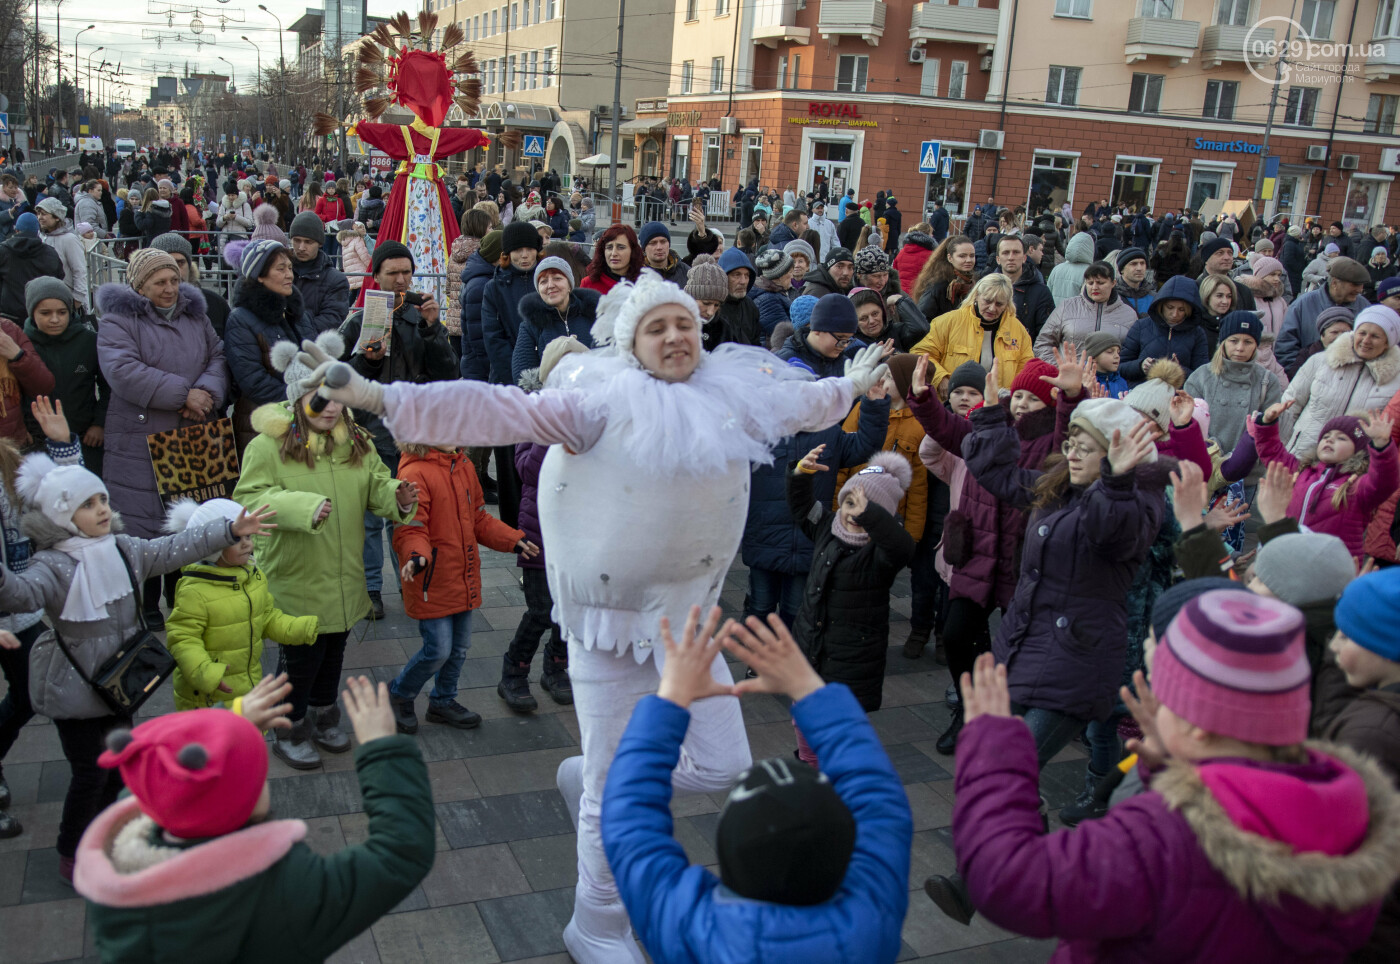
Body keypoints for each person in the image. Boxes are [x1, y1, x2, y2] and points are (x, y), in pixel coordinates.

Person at [301, 273, 891, 964]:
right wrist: (374, 396)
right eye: (656, 328)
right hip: (607, 625)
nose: (675, 336)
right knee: (612, 798)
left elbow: (801, 403)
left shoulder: (735, 391)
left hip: (686, 625)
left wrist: (851, 386)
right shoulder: (595, 403)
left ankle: (593, 778)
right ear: (631, 341)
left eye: (683, 325)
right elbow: (493, 409)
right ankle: (597, 923)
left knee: (725, 765)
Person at [935, 592, 1400, 959]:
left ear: (1197, 727)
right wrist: (1178, 765)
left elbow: (1009, 881)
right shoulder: (1346, 808)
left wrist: (994, 753)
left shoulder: (1164, 836)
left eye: (1168, 697)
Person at [0, 449, 270, 882]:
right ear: (61, 517)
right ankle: (73, 853)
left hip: (122, 681)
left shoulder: (125, 549)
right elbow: (20, 594)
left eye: (102, 500)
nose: (102, 509)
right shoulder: (51, 565)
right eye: (87, 505)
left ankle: (103, 836)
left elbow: (173, 548)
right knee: (90, 772)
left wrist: (226, 530)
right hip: (75, 688)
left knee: (115, 767)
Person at [600, 608, 912, 964]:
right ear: (846, 846)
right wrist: (810, 689)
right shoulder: (871, 921)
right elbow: (879, 800)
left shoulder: (692, 931)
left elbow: (629, 823)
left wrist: (671, 696)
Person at [73, 676, 437, 961]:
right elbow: (401, 853)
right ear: (245, 805)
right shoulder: (286, 893)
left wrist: (229, 721)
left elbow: (160, 775)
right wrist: (381, 749)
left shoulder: (115, 880)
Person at [231, 332, 419, 769]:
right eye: (320, 398)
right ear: (299, 398)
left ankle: (322, 712)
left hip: (343, 572)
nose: (331, 406)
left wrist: (398, 496)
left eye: (336, 397)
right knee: (300, 659)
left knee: (333, 651)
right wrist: (304, 507)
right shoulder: (268, 446)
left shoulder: (355, 440)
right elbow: (252, 500)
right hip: (296, 575)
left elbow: (375, 483)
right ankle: (288, 725)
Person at [904, 353, 1064, 750]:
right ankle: (968, 708)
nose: (1023, 404)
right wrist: (923, 400)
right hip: (976, 550)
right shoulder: (993, 420)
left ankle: (1009, 718)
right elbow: (948, 429)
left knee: (1019, 648)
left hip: (1021, 559)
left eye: (1035, 399)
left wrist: (1075, 397)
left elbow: (1070, 436)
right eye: (1021, 395)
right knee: (958, 635)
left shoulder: (1056, 443)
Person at [96, 248, 226, 628]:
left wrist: (205, 394)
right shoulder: (119, 319)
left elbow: (218, 356)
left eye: (173, 280)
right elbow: (121, 370)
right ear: (139, 285)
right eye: (159, 282)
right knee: (145, 522)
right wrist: (183, 394)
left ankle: (185, 600)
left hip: (194, 431)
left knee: (190, 517)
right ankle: (148, 606)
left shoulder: (194, 314)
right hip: (141, 437)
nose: (169, 289)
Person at [338, 241, 458, 616]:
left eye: (407, 271)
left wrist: (434, 329)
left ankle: (410, 583)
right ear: (376, 276)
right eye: (393, 273)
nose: (401, 279)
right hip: (370, 433)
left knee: (408, 515)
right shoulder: (358, 321)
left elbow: (448, 373)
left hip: (413, 434)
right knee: (371, 518)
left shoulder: (422, 314)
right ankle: (371, 589)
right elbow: (343, 383)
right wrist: (368, 362)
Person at [388, 439, 535, 733]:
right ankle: (399, 694)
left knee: (458, 649)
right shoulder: (415, 472)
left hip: (462, 576)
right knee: (438, 650)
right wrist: (416, 558)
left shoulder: (463, 464)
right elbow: (410, 527)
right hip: (432, 580)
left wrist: (512, 539)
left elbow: (478, 517)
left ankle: (442, 700)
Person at [0, 399, 89, 839]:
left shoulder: (9, 463)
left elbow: (67, 498)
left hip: (19, 606)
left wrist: (62, 448)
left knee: (28, 695)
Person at [163, 497, 319, 710]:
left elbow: (265, 616)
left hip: (247, 685)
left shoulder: (253, 577)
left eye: (248, 536)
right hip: (208, 696)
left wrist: (296, 628)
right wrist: (206, 673)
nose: (247, 543)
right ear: (212, 547)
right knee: (217, 742)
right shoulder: (194, 590)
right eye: (236, 539)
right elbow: (182, 639)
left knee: (246, 738)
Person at [501, 338, 584, 712]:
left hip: (577, 534)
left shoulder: (592, 414)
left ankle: (557, 668)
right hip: (539, 532)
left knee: (570, 608)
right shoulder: (533, 414)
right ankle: (513, 673)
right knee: (541, 610)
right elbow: (526, 470)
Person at [1324, 569, 1400, 961]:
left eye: (1345, 635)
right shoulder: (1378, 712)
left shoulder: (1373, 736)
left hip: (1367, 929)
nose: (1334, 646)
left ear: (1386, 647)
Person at [1251, 402, 1398, 560]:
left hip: (1331, 566)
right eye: (1326, 437)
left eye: (1341, 438)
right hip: (1288, 554)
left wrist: (1381, 445)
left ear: (1359, 451)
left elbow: (1385, 480)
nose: (1330, 440)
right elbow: (1272, 452)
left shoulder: (1357, 485)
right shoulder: (1300, 471)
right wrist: (1266, 423)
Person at [224, 240, 316, 454]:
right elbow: (253, 381)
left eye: (290, 268)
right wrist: (302, 398)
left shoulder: (296, 313)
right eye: (280, 269)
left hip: (305, 420)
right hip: (263, 426)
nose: (289, 275)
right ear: (260, 275)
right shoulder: (241, 319)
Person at [1282, 304, 1400, 454]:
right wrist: (1279, 448)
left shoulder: (1395, 380)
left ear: (1387, 343)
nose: (1366, 340)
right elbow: (1290, 405)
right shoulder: (1321, 361)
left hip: (1350, 466)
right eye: (1362, 333)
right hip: (1301, 454)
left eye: (1375, 336)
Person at [21, 278, 102, 466]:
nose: (55, 319)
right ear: (32, 312)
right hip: (37, 442)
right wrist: (21, 428)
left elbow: (108, 387)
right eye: (45, 313)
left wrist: (99, 423)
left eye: (62, 312)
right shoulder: (21, 345)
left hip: (85, 439)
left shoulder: (89, 341)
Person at [911, 273, 1035, 393]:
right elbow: (919, 352)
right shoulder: (948, 322)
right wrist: (940, 378)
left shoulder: (1018, 331)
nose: (992, 308)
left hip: (998, 404)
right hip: (953, 403)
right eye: (987, 301)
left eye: (999, 304)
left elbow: (1026, 368)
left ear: (1007, 304)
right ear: (976, 295)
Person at [1183, 311, 1283, 458]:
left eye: (1248, 342)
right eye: (1234, 341)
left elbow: (1269, 430)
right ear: (1223, 342)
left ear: (1256, 345)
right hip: (1204, 462)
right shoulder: (1201, 376)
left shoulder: (1268, 382)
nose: (1240, 348)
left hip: (1248, 469)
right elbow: (1188, 423)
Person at [512, 255, 600, 384]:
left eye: (557, 278)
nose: (550, 285)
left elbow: (609, 361)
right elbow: (523, 375)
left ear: (569, 285)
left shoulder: (594, 316)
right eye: (543, 281)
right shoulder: (530, 326)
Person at [1033, 260, 1138, 362]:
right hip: (1070, 377)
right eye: (1090, 283)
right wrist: (1059, 368)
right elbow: (1042, 344)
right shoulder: (1067, 307)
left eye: (1100, 283)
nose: (1094, 287)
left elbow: (1133, 352)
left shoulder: (1129, 314)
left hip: (1111, 378)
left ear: (1113, 283)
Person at [1277, 256, 1371, 369]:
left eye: (1361, 285)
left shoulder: (1364, 307)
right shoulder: (1302, 305)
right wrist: (1300, 376)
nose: (1360, 290)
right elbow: (1285, 348)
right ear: (1335, 283)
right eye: (1355, 285)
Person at [1121, 275, 1210, 382]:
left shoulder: (1197, 333)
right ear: (1161, 305)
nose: (1174, 314)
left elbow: (1202, 376)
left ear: (1189, 310)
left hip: (1179, 395)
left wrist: (1179, 370)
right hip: (1143, 392)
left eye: (1181, 309)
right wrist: (1141, 365)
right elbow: (1120, 366)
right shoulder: (1141, 326)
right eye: (1170, 307)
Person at [286, 211, 351, 335]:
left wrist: (291, 333)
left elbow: (331, 320)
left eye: (308, 242)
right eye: (297, 240)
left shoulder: (336, 280)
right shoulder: (277, 271)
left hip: (313, 349)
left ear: (320, 243)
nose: (301, 247)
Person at [0, 213, 64, 323]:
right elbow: (59, 277)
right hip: (40, 316)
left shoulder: (4, 251)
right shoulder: (50, 253)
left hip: (9, 315)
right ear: (37, 231)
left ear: (16, 230)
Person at [989, 235, 1053, 338]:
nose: (1011, 257)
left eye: (1016, 252)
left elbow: (1046, 334)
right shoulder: (986, 289)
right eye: (1006, 253)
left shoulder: (1041, 292)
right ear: (998, 259)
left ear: (1024, 258)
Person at [35, 197, 87, 307]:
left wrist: (77, 299)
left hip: (67, 298)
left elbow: (79, 270)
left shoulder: (69, 239)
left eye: (44, 214)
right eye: (38, 214)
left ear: (57, 217)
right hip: (45, 297)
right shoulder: (40, 236)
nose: (40, 217)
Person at [912, 235, 976, 322]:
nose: (969, 260)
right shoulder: (938, 285)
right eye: (962, 256)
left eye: (972, 256)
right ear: (950, 258)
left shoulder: (974, 282)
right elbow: (922, 320)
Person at [582, 224, 643, 295]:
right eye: (609, 247)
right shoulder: (588, 284)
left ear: (632, 251)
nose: (614, 253)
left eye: (621, 247)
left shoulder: (645, 285)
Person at [752, 248, 794, 339]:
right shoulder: (769, 300)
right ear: (779, 275)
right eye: (790, 272)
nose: (792, 275)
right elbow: (785, 334)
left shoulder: (774, 292)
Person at [1046, 231, 1095, 306]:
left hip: (1056, 314)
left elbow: (1048, 293)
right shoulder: (1090, 272)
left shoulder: (1057, 268)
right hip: (1077, 315)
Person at [639, 221, 690, 287]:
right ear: (644, 248)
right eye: (653, 243)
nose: (659, 247)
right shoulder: (636, 275)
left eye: (663, 242)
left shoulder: (686, 272)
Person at [1080, 329, 1128, 398]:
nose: (1117, 356)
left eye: (1118, 352)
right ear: (1093, 357)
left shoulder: (1121, 382)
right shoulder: (1082, 382)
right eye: (1110, 352)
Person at [1115, 246, 1156, 316]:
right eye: (1134, 264)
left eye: (1142, 263)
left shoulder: (1154, 297)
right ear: (1122, 269)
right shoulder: (1111, 296)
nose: (1139, 268)